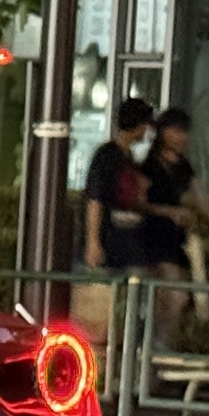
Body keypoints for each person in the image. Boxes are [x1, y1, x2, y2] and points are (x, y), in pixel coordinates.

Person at [137, 105, 209, 346]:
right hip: (153, 237)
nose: (181, 137)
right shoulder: (150, 166)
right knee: (174, 296)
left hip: (175, 239)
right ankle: (155, 346)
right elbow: (139, 203)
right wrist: (169, 211)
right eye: (175, 131)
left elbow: (199, 199)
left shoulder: (183, 166)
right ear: (163, 132)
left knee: (169, 298)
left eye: (184, 132)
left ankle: (155, 345)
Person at [76, 97, 154, 349]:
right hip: (110, 241)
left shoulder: (126, 157)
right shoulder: (108, 157)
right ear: (138, 125)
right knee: (101, 311)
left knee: (121, 308)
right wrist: (93, 241)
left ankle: (119, 355)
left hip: (126, 243)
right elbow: (95, 200)